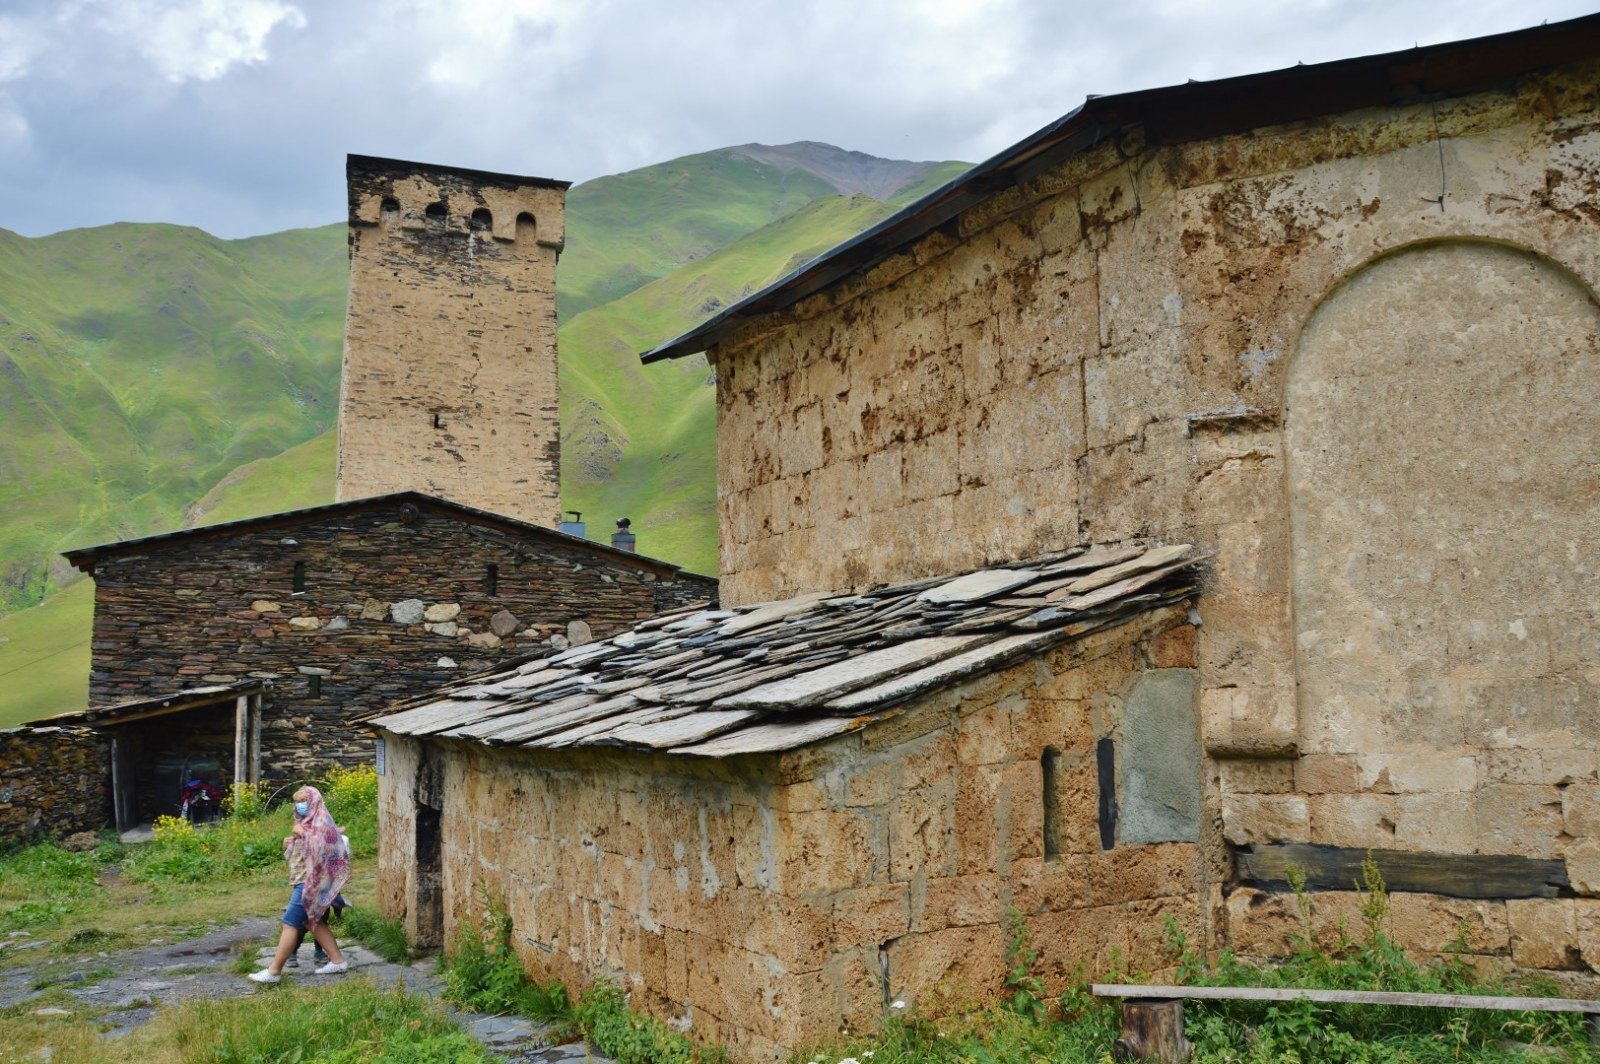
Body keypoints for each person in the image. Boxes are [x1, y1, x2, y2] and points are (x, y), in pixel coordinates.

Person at [247, 785, 351, 983]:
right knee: (312, 921)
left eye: (304, 802)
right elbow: (301, 851)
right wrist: (291, 841)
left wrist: (302, 834)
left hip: (309, 883)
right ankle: (338, 961)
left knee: (289, 923)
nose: (300, 806)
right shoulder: (306, 823)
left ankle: (273, 971)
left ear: (314, 803)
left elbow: (324, 846)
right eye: (297, 802)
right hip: (303, 880)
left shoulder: (320, 823)